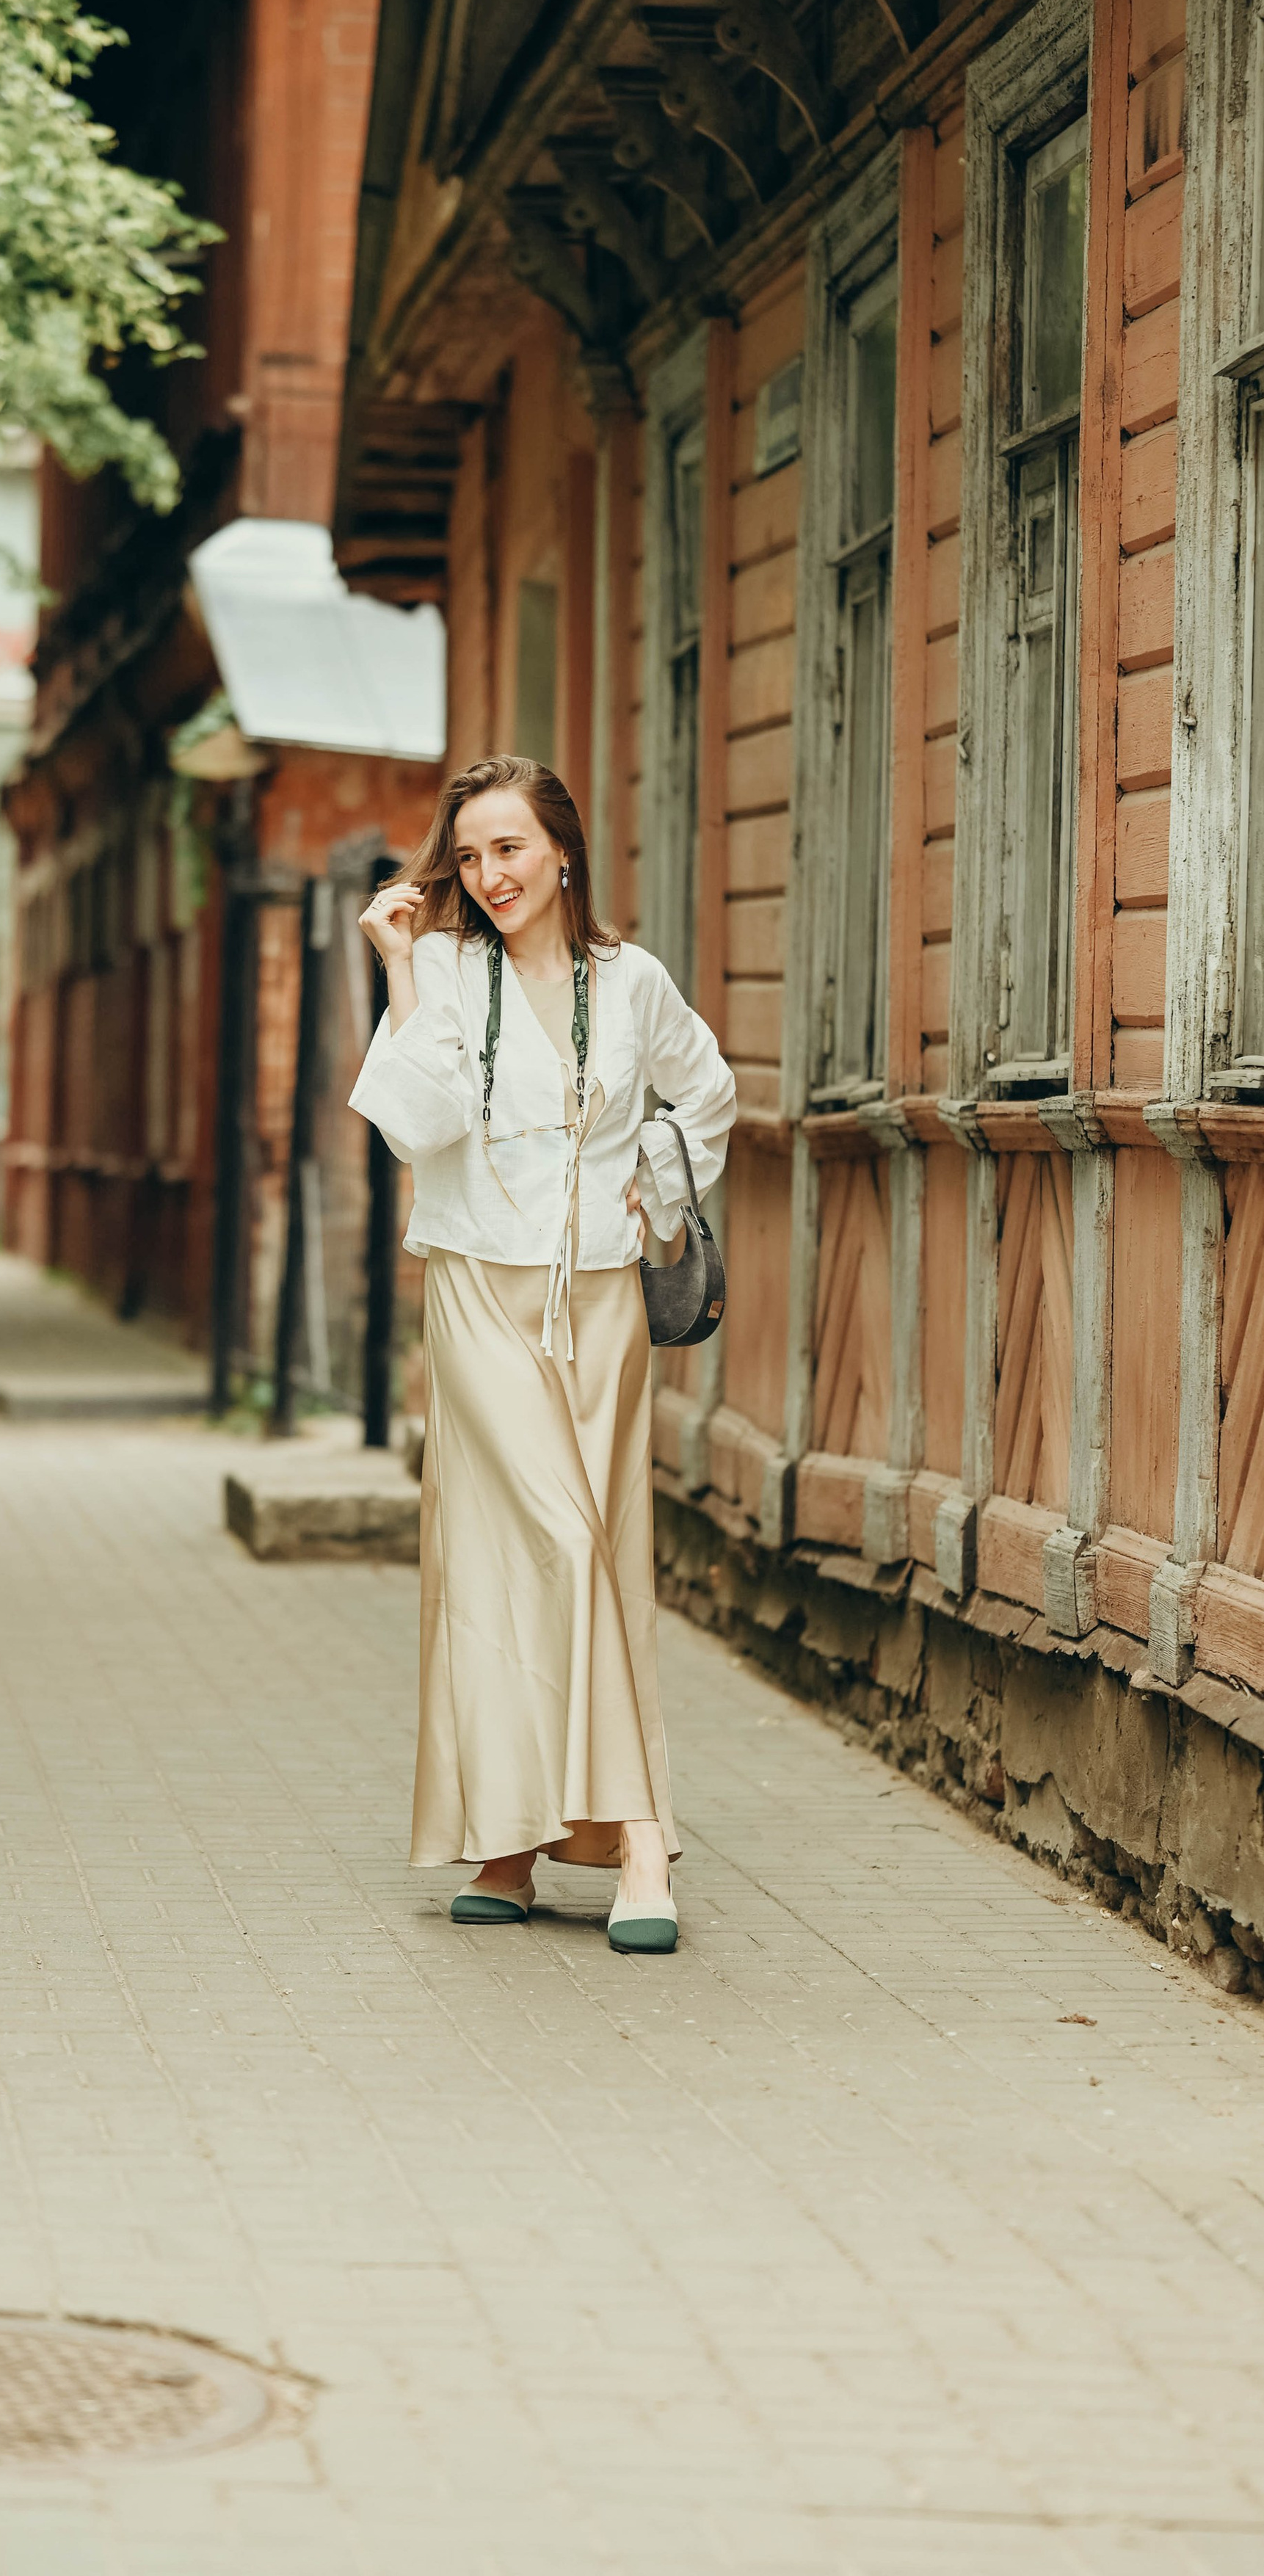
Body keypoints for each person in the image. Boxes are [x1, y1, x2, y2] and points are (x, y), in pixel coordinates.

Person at [352, 754, 734, 1953]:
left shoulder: (631, 985)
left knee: (597, 1551)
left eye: (508, 849)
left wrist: (655, 1187)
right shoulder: (452, 973)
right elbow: (417, 1122)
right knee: (538, 1548)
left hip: (604, 1306)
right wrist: (401, 963)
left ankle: (513, 1855)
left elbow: (708, 1092)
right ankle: (636, 1844)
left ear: (562, 851)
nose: (489, 875)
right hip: (476, 1292)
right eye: (468, 856)